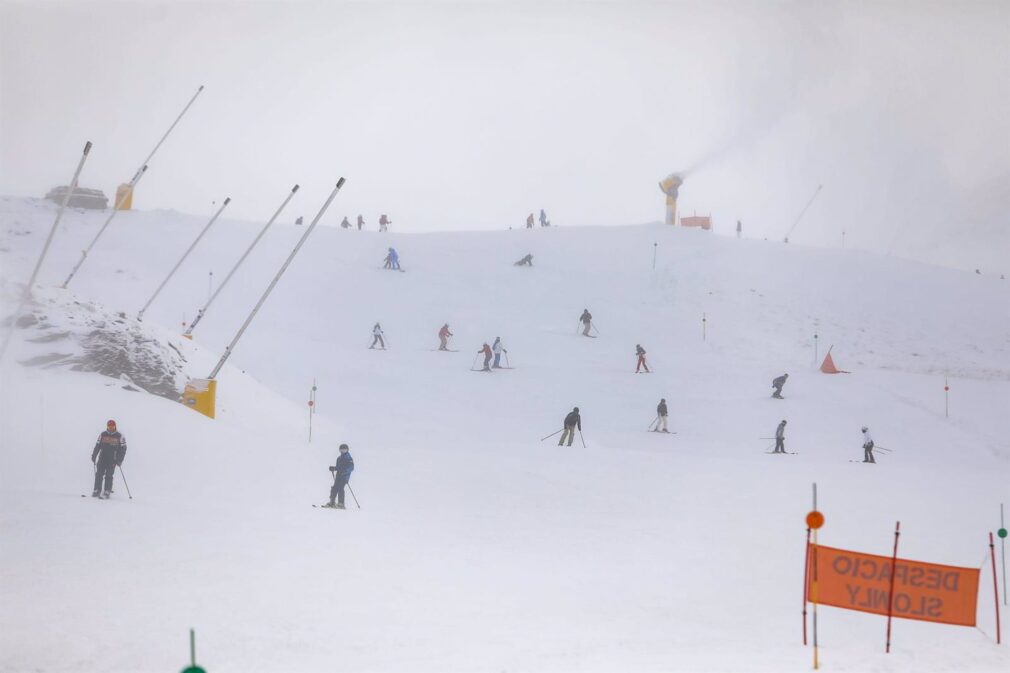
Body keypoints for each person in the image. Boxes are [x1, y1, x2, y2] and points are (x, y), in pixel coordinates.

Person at [91, 419, 127, 498]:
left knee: (109, 475)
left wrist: (120, 459)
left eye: (112, 427)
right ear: (107, 426)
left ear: (115, 427)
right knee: (99, 474)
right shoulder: (103, 434)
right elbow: (97, 446)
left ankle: (107, 491)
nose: (111, 428)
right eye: (109, 427)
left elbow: (123, 449)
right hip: (102, 458)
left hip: (112, 459)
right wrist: (94, 455)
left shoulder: (119, 436)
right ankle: (97, 490)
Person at [324, 443, 355, 509]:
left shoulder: (349, 458)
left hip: (345, 476)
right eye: (341, 450)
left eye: (344, 450)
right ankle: (332, 502)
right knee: (334, 487)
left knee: (340, 488)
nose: (343, 451)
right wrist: (334, 468)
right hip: (338, 476)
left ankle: (341, 504)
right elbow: (338, 467)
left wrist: (345, 471)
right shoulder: (339, 458)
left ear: (347, 450)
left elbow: (351, 467)